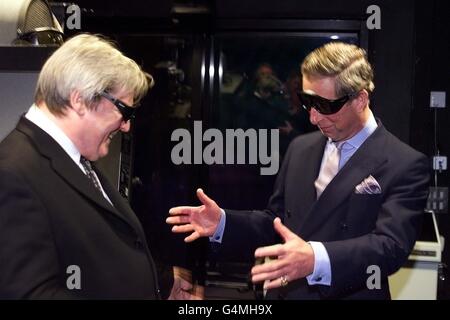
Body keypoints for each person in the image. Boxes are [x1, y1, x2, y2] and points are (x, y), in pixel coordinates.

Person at [166, 42, 430, 299]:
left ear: (360, 99)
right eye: (307, 102)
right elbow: (276, 222)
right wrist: (224, 222)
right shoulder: (301, 148)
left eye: (326, 106)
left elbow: (390, 248)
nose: (314, 118)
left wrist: (315, 260)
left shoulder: (403, 163)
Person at [0, 34, 197, 299]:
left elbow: (99, 250)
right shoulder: (12, 174)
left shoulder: (75, 160)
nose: (126, 125)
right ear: (80, 99)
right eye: (124, 111)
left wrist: (158, 284)